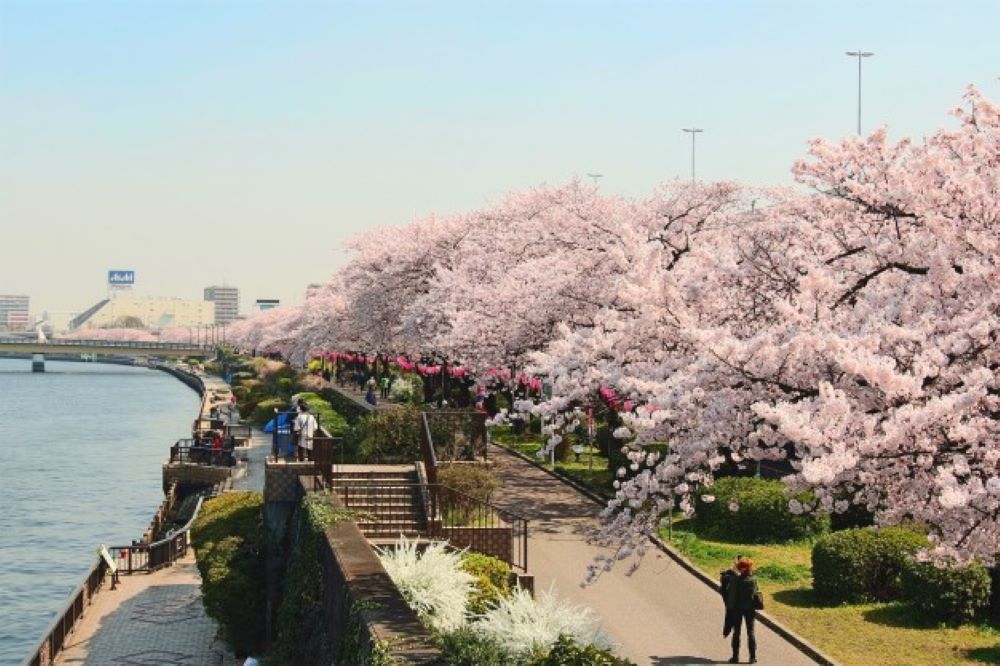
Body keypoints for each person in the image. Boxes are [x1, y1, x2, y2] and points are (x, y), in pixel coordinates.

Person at [725, 557, 761, 664]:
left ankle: (735, 657)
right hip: (750, 610)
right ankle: (752, 657)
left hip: (737, 609)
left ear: (742, 569)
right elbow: (756, 591)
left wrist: (729, 609)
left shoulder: (736, 580)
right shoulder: (753, 580)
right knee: (751, 632)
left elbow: (731, 595)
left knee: (737, 633)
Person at [719, 555, 742, 637]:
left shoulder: (736, 573)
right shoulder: (730, 574)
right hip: (729, 597)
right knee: (730, 612)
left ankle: (728, 629)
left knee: (730, 612)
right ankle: (728, 630)